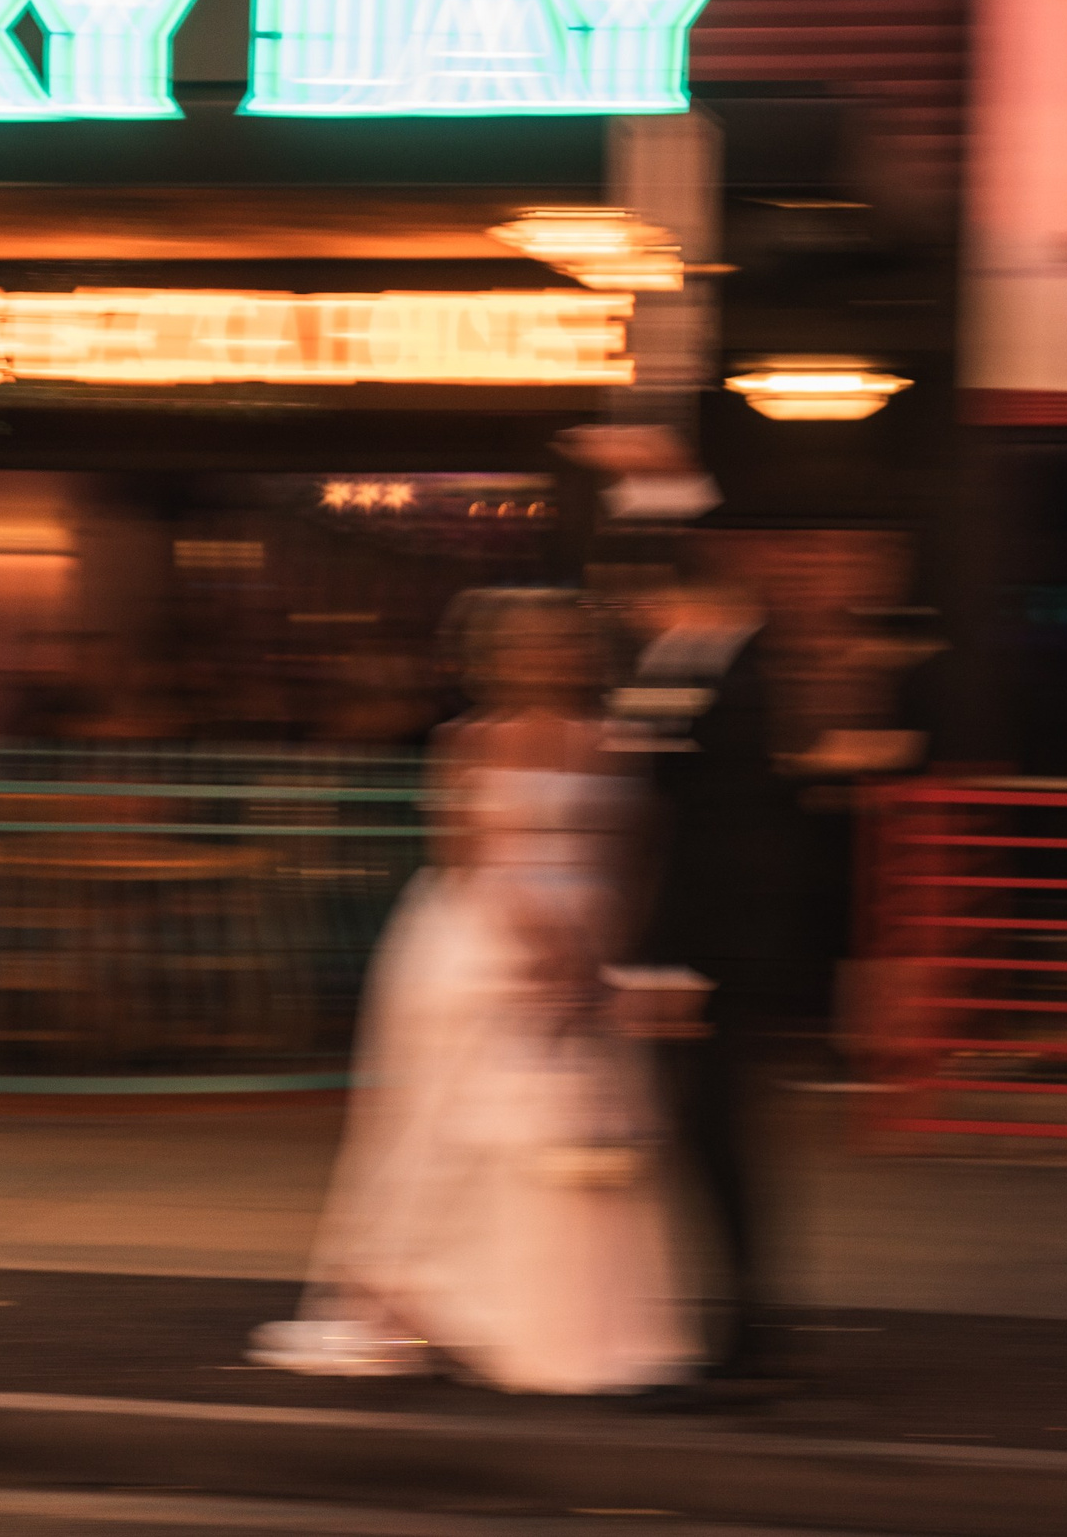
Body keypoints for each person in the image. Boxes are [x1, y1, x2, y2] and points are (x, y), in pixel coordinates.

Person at [251, 590, 694, 1394]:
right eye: (528, 645)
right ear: (495, 657)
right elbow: (466, 852)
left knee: (571, 1137)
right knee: (455, 1129)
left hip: (588, 942)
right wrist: (544, 947)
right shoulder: (467, 742)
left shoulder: (614, 742)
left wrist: (602, 949)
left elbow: (636, 853)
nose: (547, 658)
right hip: (478, 946)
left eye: (562, 643)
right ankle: (435, 1302)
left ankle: (560, 1319)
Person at [611, 567, 809, 1388]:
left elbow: (708, 839)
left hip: (705, 951)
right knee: (698, 1135)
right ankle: (724, 1316)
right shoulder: (702, 671)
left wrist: (670, 961)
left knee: (707, 1133)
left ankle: (741, 1325)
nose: (628, 608)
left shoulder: (719, 678)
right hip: (703, 945)